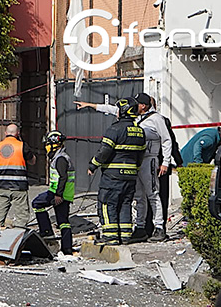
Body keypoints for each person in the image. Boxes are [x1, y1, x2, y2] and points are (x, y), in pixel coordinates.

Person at [77, 94, 172, 242]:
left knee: (153, 194)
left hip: (149, 160)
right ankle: (140, 228)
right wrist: (91, 105)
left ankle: (159, 227)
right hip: (136, 163)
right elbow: (112, 109)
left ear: (143, 106)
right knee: (138, 197)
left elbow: (167, 139)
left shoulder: (156, 119)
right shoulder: (135, 120)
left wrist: (165, 161)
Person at [87, 98, 145, 245]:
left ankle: (110, 236)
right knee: (125, 204)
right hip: (131, 176)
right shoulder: (140, 131)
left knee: (107, 203)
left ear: (123, 111)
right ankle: (125, 236)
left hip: (113, 176)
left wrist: (93, 165)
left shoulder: (114, 130)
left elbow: (104, 151)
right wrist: (134, 170)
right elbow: (141, 155)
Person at [145, 98, 183, 239]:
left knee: (158, 195)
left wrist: (175, 161)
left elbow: (170, 142)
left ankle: (157, 228)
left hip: (160, 164)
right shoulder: (142, 119)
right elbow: (173, 143)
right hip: (154, 163)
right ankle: (150, 227)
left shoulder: (160, 120)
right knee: (154, 196)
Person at [0, 124, 37, 229]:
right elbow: (32, 161)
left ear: (5, 133)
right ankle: (18, 239)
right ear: (17, 133)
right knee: (21, 217)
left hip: (2, 187)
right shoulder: (22, 145)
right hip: (19, 188)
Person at [33, 131, 75, 255]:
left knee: (37, 204)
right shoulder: (58, 157)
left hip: (59, 194)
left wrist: (58, 195)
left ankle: (47, 232)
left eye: (47, 144)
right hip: (59, 193)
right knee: (63, 221)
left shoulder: (61, 158)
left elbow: (63, 177)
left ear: (54, 144)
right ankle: (66, 248)